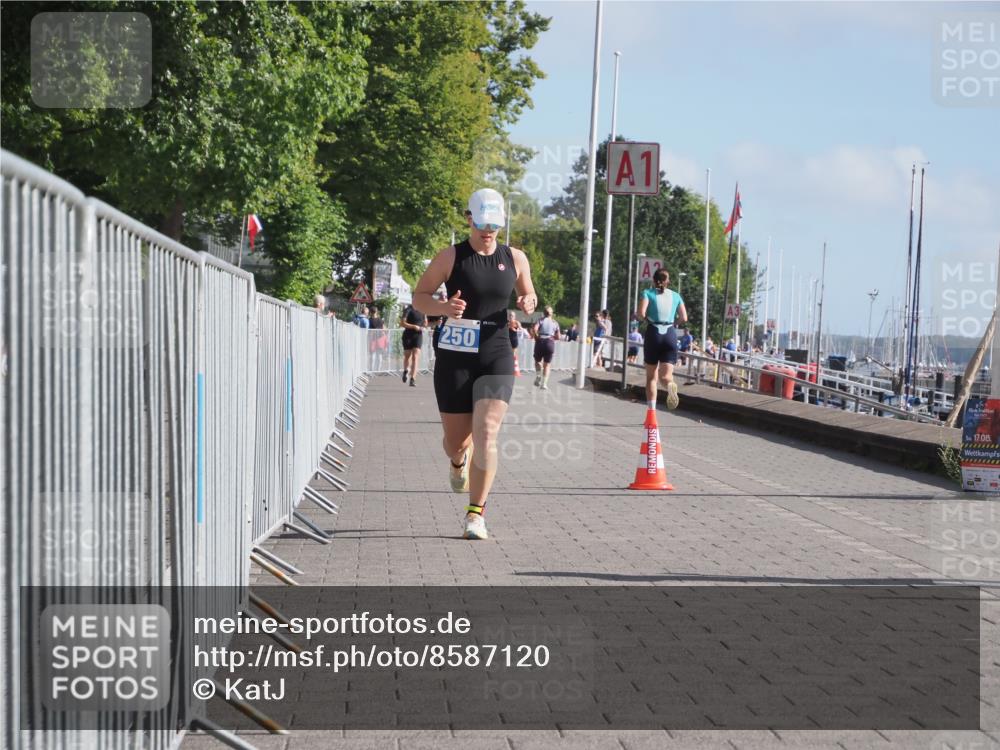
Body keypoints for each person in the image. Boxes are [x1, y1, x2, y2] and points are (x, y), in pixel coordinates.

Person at [412, 188, 536, 541]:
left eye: (494, 225)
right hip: (455, 355)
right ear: (469, 218)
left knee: (486, 433)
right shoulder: (450, 257)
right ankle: (456, 462)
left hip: (495, 350)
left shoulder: (516, 258)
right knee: (457, 442)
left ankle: (475, 514)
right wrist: (442, 308)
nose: (488, 232)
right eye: (482, 224)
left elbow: (528, 292)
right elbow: (420, 297)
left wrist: (528, 300)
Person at [638, 268, 688, 411]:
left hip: (654, 333)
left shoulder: (647, 293)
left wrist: (647, 318)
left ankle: (651, 412)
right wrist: (674, 323)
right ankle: (670, 385)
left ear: (654, 280)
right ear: (668, 281)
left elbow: (640, 314)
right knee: (666, 376)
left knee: (651, 377)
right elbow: (684, 318)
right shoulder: (676, 296)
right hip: (670, 335)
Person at [532, 306, 560, 389]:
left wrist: (536, 337)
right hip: (550, 342)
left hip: (540, 341)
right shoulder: (555, 323)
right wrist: (551, 338)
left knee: (537, 361)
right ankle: (544, 384)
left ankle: (538, 375)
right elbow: (558, 336)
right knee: (547, 365)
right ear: (552, 313)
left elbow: (534, 329)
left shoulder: (540, 320)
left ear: (544, 313)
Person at [401, 303, 426, 386]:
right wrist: (414, 327)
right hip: (408, 335)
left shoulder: (423, 310)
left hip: (418, 335)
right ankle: (406, 371)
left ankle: (413, 379)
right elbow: (402, 323)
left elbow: (425, 323)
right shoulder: (408, 309)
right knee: (407, 356)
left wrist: (424, 326)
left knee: (415, 357)